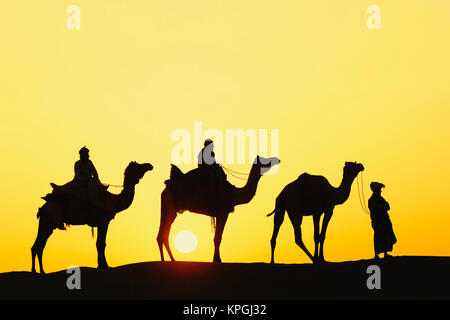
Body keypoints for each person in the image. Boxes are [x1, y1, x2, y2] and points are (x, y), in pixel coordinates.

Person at [368, 182, 397, 259]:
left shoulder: (377, 199)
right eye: (379, 190)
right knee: (378, 237)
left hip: (383, 221)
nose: (380, 191)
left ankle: (384, 253)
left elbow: (387, 206)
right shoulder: (373, 200)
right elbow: (385, 207)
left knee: (384, 236)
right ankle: (377, 254)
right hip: (378, 221)